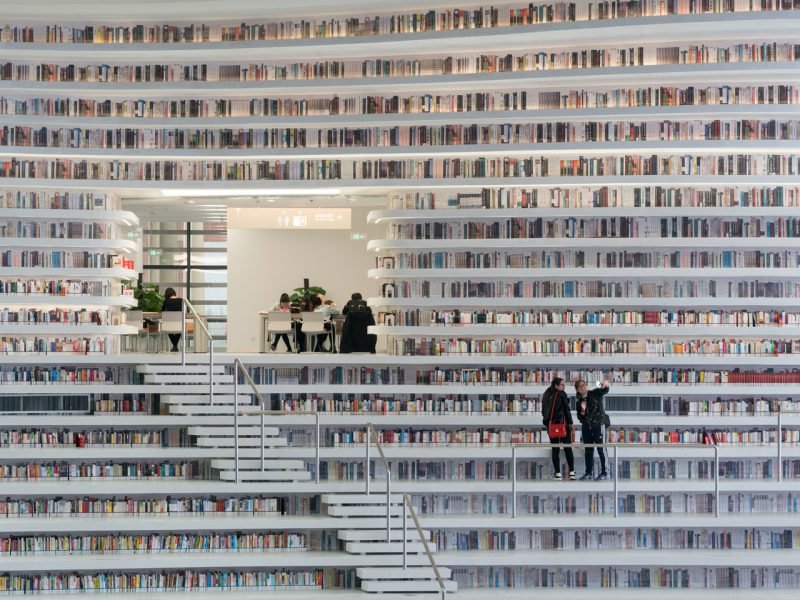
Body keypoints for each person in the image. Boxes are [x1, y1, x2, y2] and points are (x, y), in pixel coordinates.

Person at [541, 376, 575, 480]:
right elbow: (566, 410)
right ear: (556, 385)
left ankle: (558, 474)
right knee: (568, 449)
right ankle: (572, 473)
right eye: (562, 385)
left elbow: (544, 411)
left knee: (555, 449)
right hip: (563, 426)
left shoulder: (546, 394)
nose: (564, 387)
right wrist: (570, 423)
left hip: (552, 426)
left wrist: (548, 424)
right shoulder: (561, 394)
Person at [575, 379, 611, 480]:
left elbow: (604, 390)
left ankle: (605, 472)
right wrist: (582, 413)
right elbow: (580, 417)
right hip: (586, 427)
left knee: (601, 449)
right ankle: (588, 473)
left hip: (598, 425)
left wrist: (606, 383)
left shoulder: (595, 393)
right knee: (588, 450)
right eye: (579, 386)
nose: (582, 387)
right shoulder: (579, 402)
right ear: (577, 390)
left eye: (584, 385)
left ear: (586, 385)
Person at [161, 287, 183, 352]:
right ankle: (175, 346)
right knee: (180, 329)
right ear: (174, 293)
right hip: (179, 324)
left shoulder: (166, 301)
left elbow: (162, 311)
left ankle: (175, 346)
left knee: (167, 328)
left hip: (169, 324)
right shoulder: (181, 300)